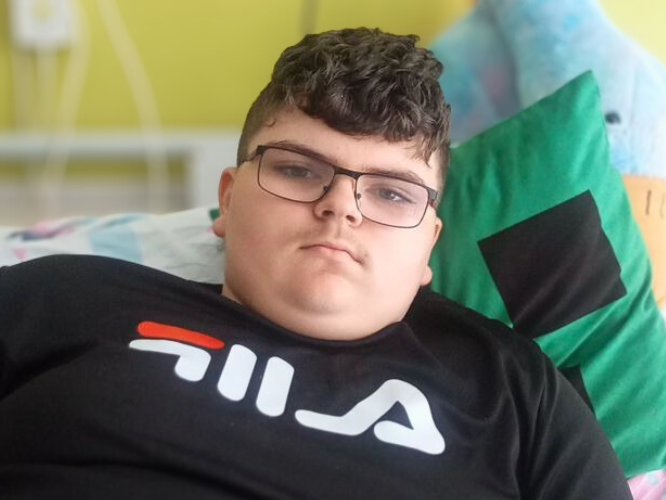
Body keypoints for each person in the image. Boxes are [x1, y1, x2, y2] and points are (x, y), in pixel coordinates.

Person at [0, 28, 632, 500]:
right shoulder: (62, 298)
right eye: (299, 170)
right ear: (227, 201)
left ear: (429, 248)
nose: (340, 208)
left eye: (392, 194)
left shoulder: (518, 394)